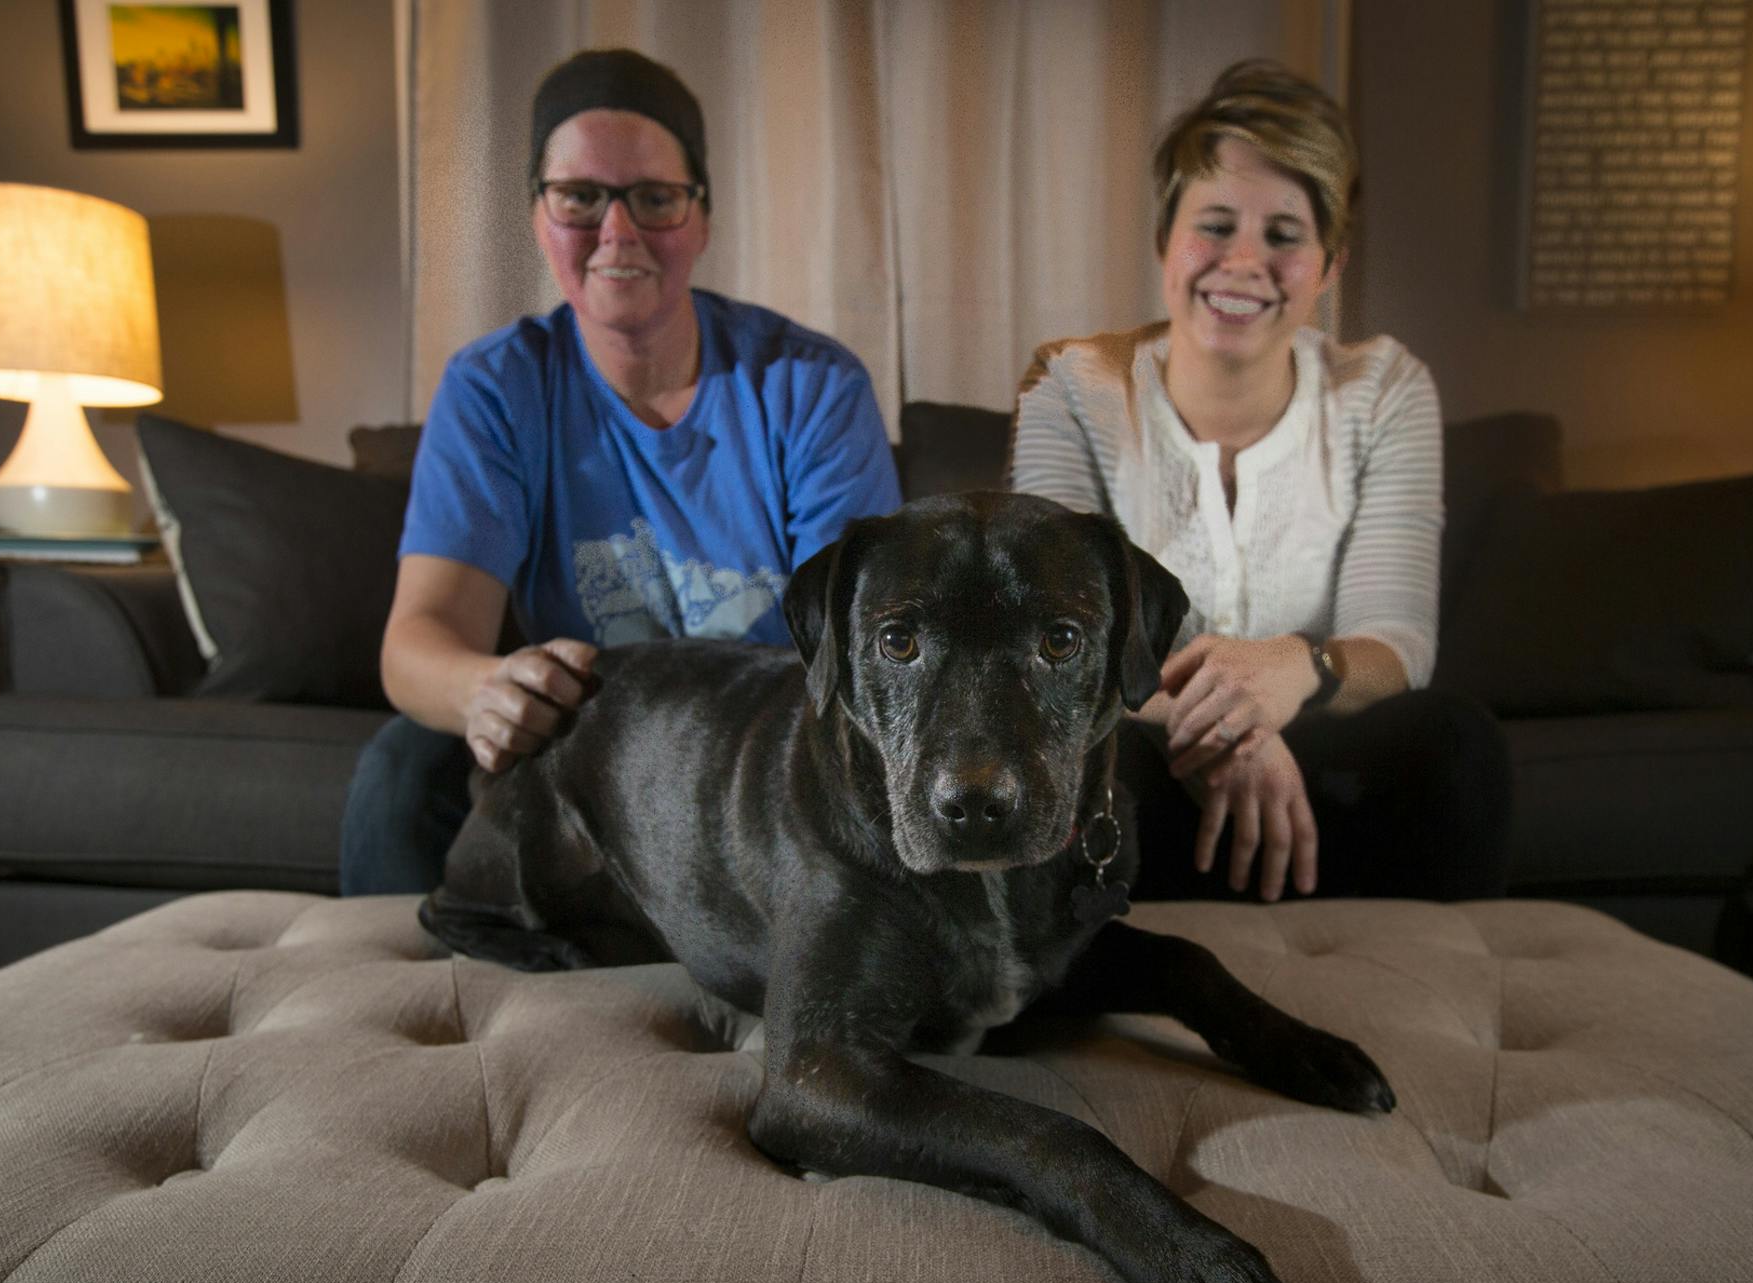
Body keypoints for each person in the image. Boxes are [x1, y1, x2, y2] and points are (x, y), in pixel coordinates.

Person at [342, 48, 900, 895]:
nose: (618, 232)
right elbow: (417, 642)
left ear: (702, 217)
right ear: (538, 215)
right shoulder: (497, 386)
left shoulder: (812, 386)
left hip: (769, 739)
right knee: (402, 764)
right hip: (581, 737)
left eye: (654, 198)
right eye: (581, 197)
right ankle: (395, 1014)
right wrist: (485, 688)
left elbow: (857, 648)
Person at [1009, 59, 1510, 904]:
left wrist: (1299, 665)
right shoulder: (1069, 386)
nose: (1244, 262)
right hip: (1144, 754)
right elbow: (1058, 638)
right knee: (1090, 759)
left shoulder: (1385, 390)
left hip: (1317, 762)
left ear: (1330, 264)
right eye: (1214, 226)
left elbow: (1396, 648)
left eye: (1284, 235)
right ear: (1166, 241)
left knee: (1456, 743)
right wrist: (1233, 731)